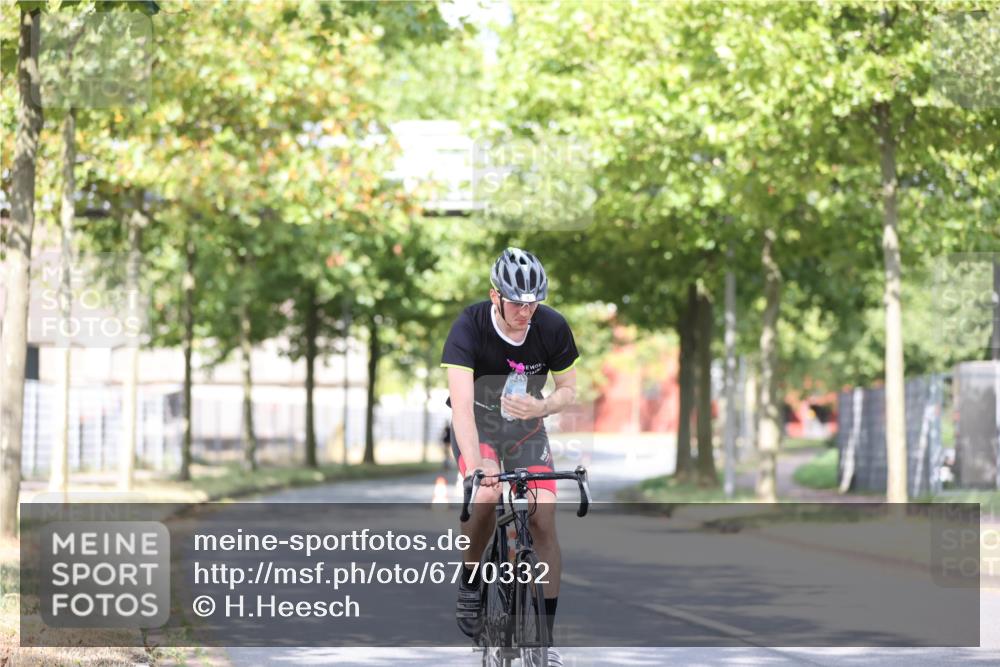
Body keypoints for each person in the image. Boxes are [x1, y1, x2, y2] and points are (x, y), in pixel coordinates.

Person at [440, 247, 579, 666]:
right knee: (485, 494)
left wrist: (543, 406)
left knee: (543, 518)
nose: (526, 311)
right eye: (517, 302)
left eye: (533, 302)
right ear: (495, 296)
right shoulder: (470, 326)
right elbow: (461, 409)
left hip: (526, 430)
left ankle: (544, 639)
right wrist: (478, 464)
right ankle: (471, 578)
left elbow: (568, 390)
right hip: (479, 427)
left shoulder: (551, 326)